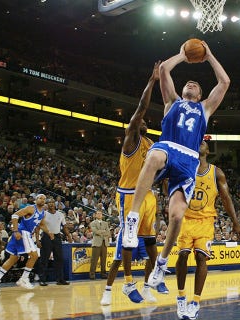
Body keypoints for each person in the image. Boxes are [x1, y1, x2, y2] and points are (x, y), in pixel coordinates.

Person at [129, 41, 230, 290]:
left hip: (188, 160)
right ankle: (133, 217)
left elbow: (225, 82)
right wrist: (183, 55)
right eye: (188, 83)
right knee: (153, 156)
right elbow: (164, 70)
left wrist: (209, 55)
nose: (191, 84)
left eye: (195, 85)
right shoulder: (171, 102)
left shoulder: (204, 108)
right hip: (168, 147)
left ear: (199, 94)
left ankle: (161, 265)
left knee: (176, 216)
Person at [101, 61, 162, 306]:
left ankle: (149, 284)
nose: (144, 122)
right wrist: (152, 80)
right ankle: (126, 283)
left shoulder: (150, 144)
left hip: (147, 195)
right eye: (140, 121)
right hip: (128, 194)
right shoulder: (131, 141)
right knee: (126, 242)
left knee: (151, 244)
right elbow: (141, 107)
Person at [175, 140, 240, 319]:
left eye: (203, 142)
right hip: (186, 219)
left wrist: (235, 221)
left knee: (200, 257)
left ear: (208, 150)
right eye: (197, 141)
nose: (200, 143)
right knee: (182, 255)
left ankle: (195, 302)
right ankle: (181, 297)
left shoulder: (216, 173)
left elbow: (226, 199)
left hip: (205, 221)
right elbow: (171, 189)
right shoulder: (184, 168)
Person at [0, 194, 52, 292]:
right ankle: (24, 279)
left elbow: (42, 224)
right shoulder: (30, 208)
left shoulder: (43, 213)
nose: (42, 200)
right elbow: (15, 215)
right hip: (22, 232)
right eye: (40, 198)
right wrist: (16, 230)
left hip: (23, 234)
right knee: (34, 255)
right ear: (36, 200)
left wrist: (49, 232)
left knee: (14, 258)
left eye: (44, 199)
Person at [37, 199, 69, 286]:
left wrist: (69, 236)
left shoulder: (60, 214)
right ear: (47, 205)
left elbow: (65, 226)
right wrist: (37, 240)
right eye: (49, 203)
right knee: (44, 258)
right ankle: (42, 279)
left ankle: (60, 279)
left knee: (59, 258)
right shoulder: (43, 214)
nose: (51, 204)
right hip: (46, 237)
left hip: (57, 236)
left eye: (52, 202)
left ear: (54, 204)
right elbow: (38, 227)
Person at [89, 210, 110, 280]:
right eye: (97, 214)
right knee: (94, 260)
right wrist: (103, 231)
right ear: (95, 215)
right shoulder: (93, 223)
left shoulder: (105, 223)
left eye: (100, 214)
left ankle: (103, 274)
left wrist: (101, 232)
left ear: (102, 215)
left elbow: (109, 233)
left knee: (103, 260)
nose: (99, 215)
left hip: (104, 243)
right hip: (96, 243)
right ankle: (92, 274)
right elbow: (95, 231)